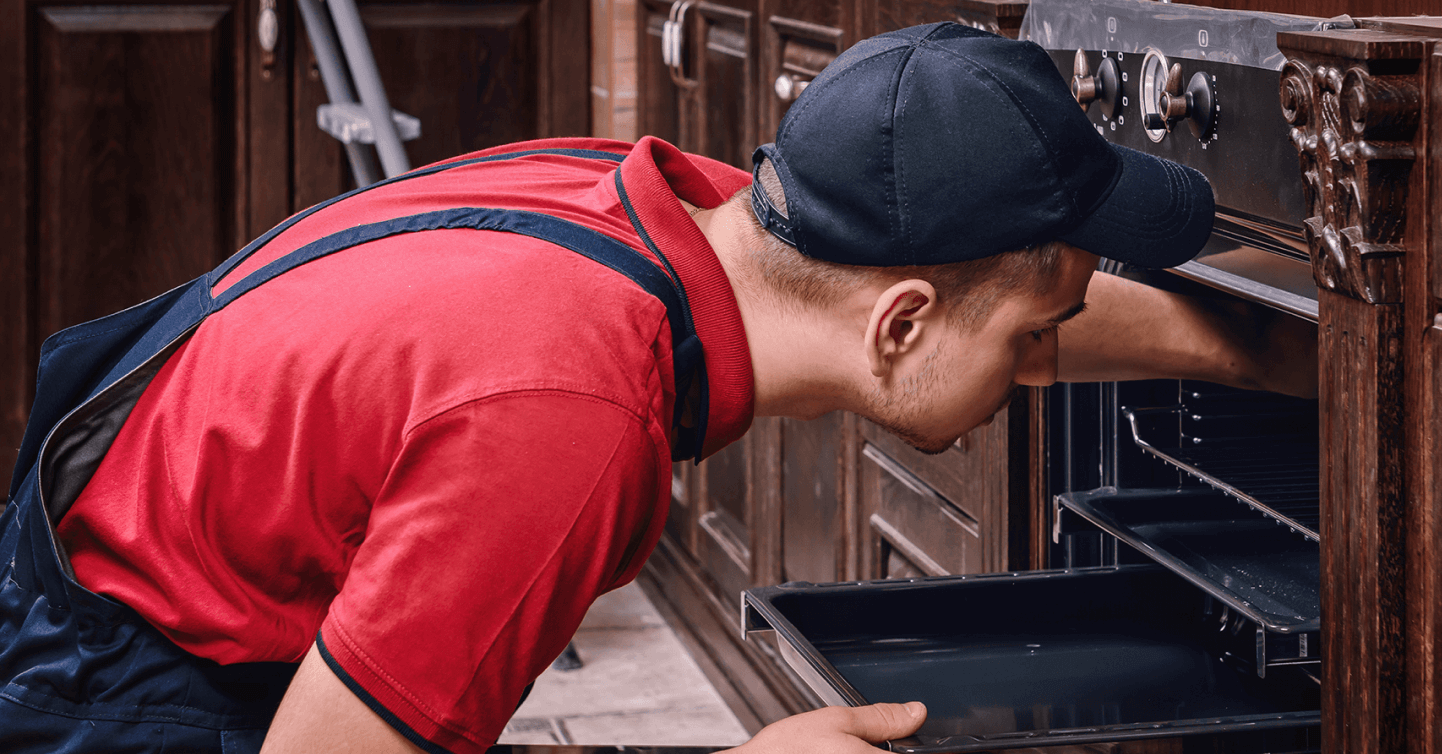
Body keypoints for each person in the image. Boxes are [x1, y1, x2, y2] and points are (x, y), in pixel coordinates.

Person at [0, 22, 1313, 754]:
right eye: (1044, 326)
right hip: (120, 692)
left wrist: (1268, 354)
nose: (1050, 347)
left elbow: (976, 308)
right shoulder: (568, 423)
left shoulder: (689, 211)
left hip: (112, 549)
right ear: (898, 319)